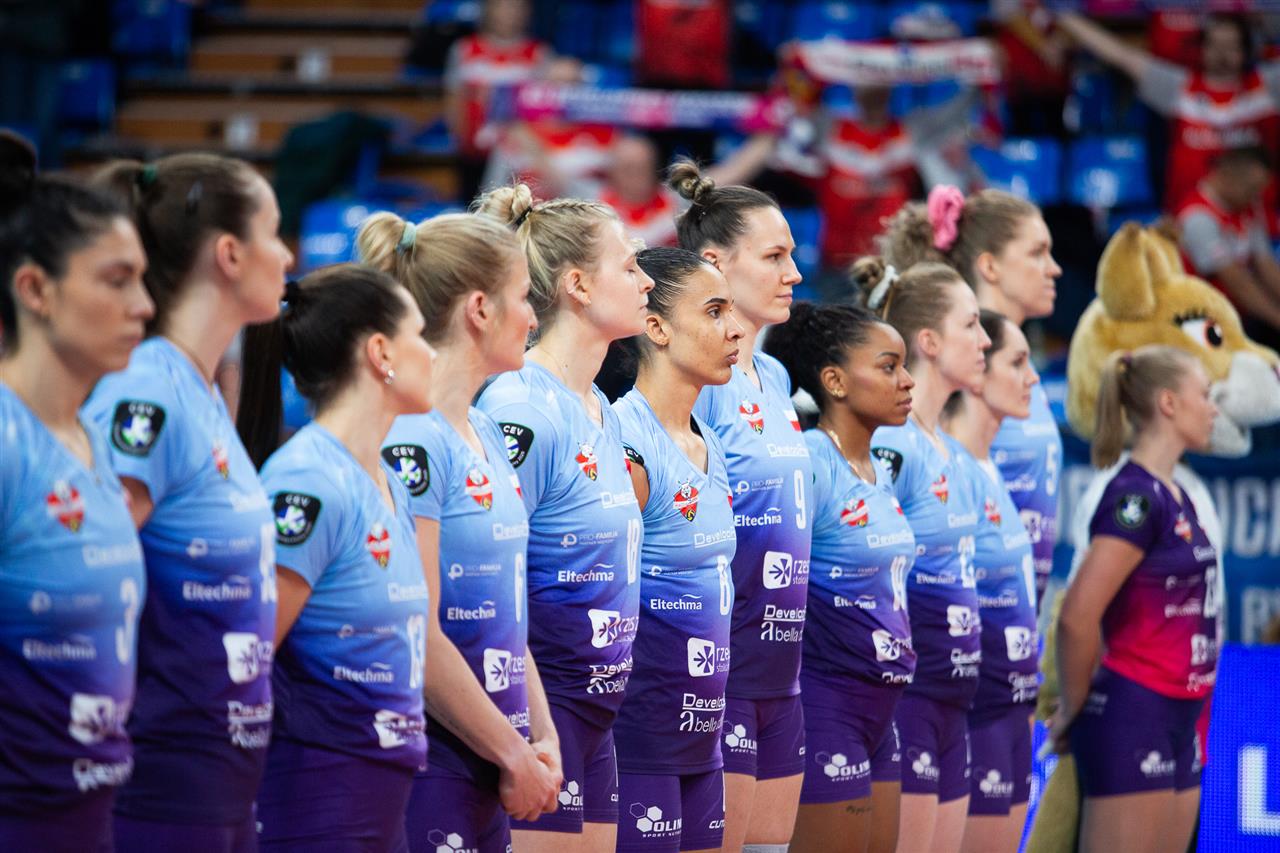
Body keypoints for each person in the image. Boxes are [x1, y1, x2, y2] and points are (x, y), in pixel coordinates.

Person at [87, 152, 293, 851]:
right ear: (229, 254)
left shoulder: (198, 389)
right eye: (273, 232)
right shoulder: (147, 391)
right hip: (155, 781)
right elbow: (81, 576)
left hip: (221, 781)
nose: (288, 254)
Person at [358, 210, 562, 852]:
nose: (533, 319)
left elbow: (508, 612)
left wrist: (542, 735)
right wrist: (514, 752)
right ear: (479, 309)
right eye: (524, 298)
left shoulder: (487, 432)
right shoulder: (414, 437)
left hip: (495, 757)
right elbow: (416, 631)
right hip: (435, 758)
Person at [474, 184, 654, 852]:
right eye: (629, 265)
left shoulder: (601, 407)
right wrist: (523, 731)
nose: (646, 280)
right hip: (538, 708)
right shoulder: (522, 406)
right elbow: (486, 575)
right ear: (577, 284)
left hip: (597, 713)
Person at [235, 265, 434, 850]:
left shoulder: (388, 478)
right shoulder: (307, 481)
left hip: (384, 793)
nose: (432, 354)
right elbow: (247, 657)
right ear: (381, 353)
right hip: (315, 797)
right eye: (420, 335)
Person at [0, 133, 152, 852]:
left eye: (143, 279)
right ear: (36, 289)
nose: (144, 305)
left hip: (90, 817)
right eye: (116, 280)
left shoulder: (91, 433)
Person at [668, 160, 812, 853]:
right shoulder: (698, 380)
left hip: (783, 673)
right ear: (715, 263)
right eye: (775, 257)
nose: (795, 273)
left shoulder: (775, 375)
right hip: (718, 668)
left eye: (792, 255)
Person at [1051, 345, 1220, 853]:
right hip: (1135, 710)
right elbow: (1077, 616)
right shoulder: (1135, 497)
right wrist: (1074, 706)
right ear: (1169, 403)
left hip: (1184, 714)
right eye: (1205, 395)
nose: (1214, 409)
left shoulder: (1177, 493)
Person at [762, 302, 917, 853]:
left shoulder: (878, 471)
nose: (907, 381)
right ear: (835, 381)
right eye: (889, 366)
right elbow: (769, 573)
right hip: (828, 705)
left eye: (904, 366)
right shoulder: (811, 459)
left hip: (884, 709)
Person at [857, 258, 991, 853]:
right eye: (972, 325)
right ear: (930, 342)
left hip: (954, 703)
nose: (985, 340)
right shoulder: (893, 442)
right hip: (906, 700)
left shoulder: (953, 453)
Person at [612, 246, 743, 852]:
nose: (735, 329)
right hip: (639, 740)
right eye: (714, 311)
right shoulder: (626, 443)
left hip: (704, 738)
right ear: (657, 328)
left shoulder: (708, 439)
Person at [881, 184, 1063, 611]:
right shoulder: (957, 373)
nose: (1054, 269)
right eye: (1037, 253)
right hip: (965, 617)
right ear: (990, 266)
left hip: (1014, 618)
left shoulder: (1020, 373)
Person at [941, 311, 1041, 853]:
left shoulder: (987, 467)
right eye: (1018, 362)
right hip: (970, 716)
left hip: (1011, 711)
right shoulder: (949, 467)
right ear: (978, 373)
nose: (1033, 377)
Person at [1057, 10, 1280, 210]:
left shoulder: (1266, 87)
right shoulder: (1180, 87)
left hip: (1260, 224)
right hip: (1187, 223)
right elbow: (1121, 55)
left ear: (1246, 50)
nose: (1222, 54)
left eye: (1231, 46)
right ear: (1201, 48)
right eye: (1214, 45)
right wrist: (1061, 13)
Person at [1174, 145, 1280, 344]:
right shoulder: (1197, 217)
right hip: (1202, 321)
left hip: (1239, 315)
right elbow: (1238, 284)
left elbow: (1266, 264)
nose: (1256, 196)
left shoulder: (1249, 207)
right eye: (1251, 189)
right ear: (1227, 176)